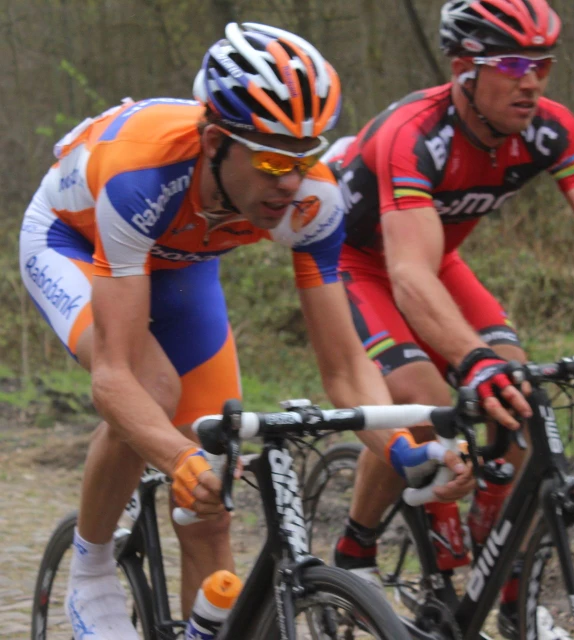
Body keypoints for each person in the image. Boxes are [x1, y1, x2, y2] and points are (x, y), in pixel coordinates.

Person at [20, 22, 476, 639]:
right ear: (214, 142)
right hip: (72, 239)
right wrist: (176, 457)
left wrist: (402, 449)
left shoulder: (312, 202)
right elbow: (113, 378)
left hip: (183, 260)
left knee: (210, 508)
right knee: (151, 391)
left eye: (304, 156)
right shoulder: (143, 178)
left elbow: (345, 370)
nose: (289, 181)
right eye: (269, 159)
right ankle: (93, 568)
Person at [327, 1, 574, 637]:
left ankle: (508, 588)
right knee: (419, 399)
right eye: (515, 64)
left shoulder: (550, 128)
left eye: (544, 64)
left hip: (434, 258)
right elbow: (407, 275)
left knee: (519, 393)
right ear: (465, 68)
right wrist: (473, 358)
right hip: (354, 262)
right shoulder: (414, 133)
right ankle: (355, 547)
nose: (533, 80)